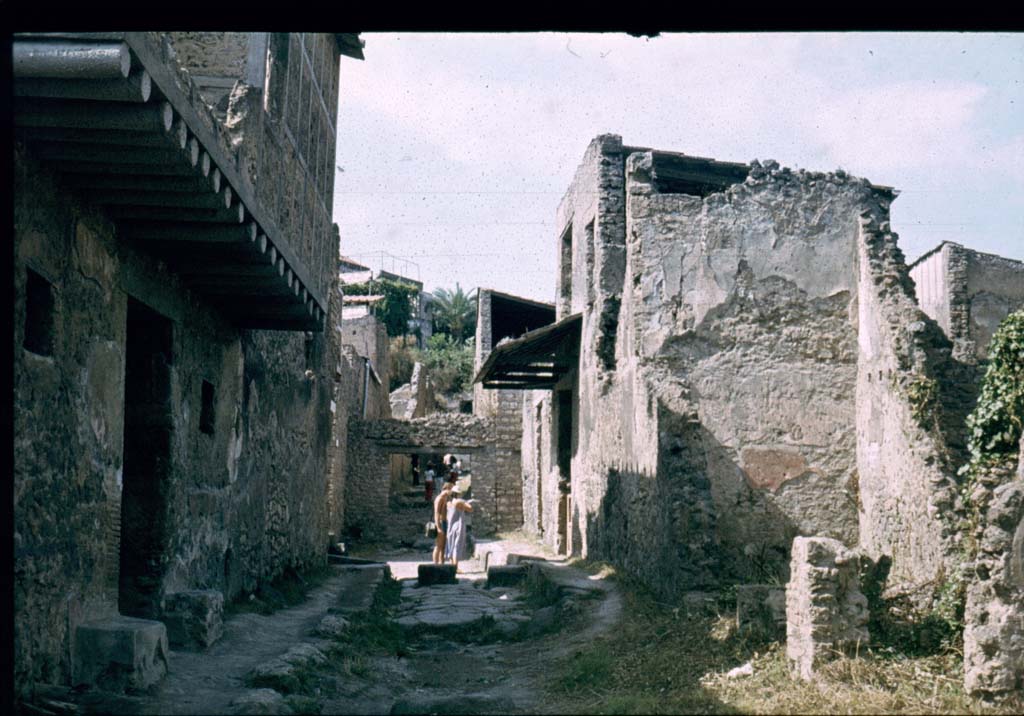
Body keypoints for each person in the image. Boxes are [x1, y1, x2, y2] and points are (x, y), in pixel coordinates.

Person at [444, 487, 474, 570]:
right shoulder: (459, 502)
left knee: (451, 544)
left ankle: (451, 566)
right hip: (458, 525)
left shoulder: (449, 502)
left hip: (450, 525)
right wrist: (465, 502)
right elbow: (470, 509)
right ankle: (456, 567)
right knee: (457, 545)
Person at [432, 479, 454, 564]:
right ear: (447, 488)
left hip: (444, 522)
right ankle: (435, 564)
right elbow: (437, 513)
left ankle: (442, 563)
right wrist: (438, 527)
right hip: (441, 523)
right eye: (451, 489)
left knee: (443, 546)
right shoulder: (439, 498)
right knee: (438, 545)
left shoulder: (445, 498)